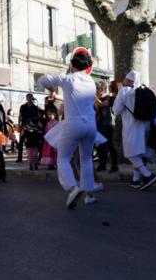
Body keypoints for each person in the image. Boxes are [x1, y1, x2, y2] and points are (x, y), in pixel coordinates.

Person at [37, 48, 98, 208]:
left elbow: (42, 80)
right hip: (91, 125)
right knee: (86, 159)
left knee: (63, 158)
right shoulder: (91, 81)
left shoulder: (68, 79)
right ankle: (89, 194)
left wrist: (50, 89)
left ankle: (72, 188)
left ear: (72, 65)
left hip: (74, 124)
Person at [112, 71, 156, 191]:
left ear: (128, 80)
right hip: (146, 125)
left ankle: (148, 175)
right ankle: (136, 180)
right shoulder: (146, 91)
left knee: (131, 153)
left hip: (131, 126)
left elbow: (116, 110)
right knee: (139, 152)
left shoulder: (125, 91)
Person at [94, 81, 119, 173]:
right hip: (99, 124)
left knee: (110, 145)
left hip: (108, 124)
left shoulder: (109, 98)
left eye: (97, 89)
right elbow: (97, 108)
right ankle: (102, 165)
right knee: (100, 145)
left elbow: (102, 104)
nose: (96, 90)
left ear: (102, 89)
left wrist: (94, 97)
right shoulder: (98, 98)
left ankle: (115, 165)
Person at [16, 93, 38, 162]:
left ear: (32, 98)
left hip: (31, 127)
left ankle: (31, 157)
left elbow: (36, 117)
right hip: (23, 126)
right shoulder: (23, 106)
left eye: (30, 98)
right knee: (21, 142)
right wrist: (19, 124)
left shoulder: (35, 107)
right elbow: (20, 116)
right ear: (26, 98)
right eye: (28, 97)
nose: (29, 99)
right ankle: (19, 158)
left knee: (30, 143)